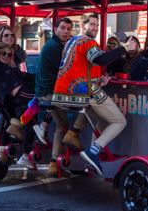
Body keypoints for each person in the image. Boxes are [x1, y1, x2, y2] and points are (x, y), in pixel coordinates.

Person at [51, 13, 137, 177]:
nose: (95, 28)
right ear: (82, 26)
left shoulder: (71, 41)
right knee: (120, 121)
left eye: (97, 25)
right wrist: (124, 47)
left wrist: (99, 80)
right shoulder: (88, 41)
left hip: (65, 93)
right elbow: (101, 60)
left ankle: (91, 156)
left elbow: (81, 66)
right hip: (84, 92)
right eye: (91, 24)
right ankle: (94, 151)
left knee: (104, 118)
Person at [0, 39, 36, 168]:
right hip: (7, 99)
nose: (7, 56)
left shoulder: (10, 67)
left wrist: (40, 77)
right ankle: (21, 153)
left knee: (14, 123)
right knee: (29, 119)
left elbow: (24, 75)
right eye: (4, 54)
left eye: (9, 54)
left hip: (12, 100)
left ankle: (3, 154)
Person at [32, 17, 76, 177]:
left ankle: (55, 160)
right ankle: (54, 161)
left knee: (65, 122)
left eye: (68, 29)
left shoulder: (58, 45)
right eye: (63, 28)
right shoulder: (54, 47)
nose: (66, 32)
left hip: (51, 92)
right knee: (64, 124)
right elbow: (67, 69)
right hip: (49, 93)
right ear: (55, 29)